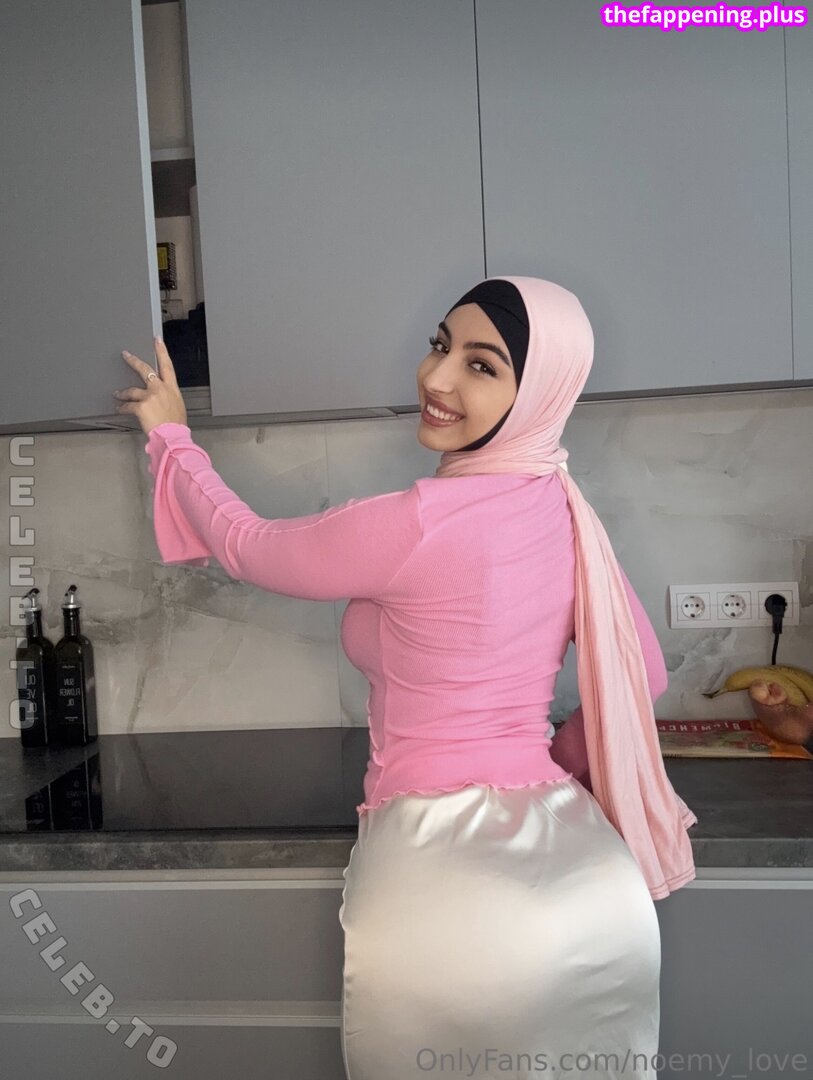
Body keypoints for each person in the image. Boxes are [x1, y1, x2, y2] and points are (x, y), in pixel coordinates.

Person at [117, 277, 698, 1079]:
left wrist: (172, 438)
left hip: (445, 880)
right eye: (439, 346)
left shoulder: (418, 522)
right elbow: (643, 674)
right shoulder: (567, 515)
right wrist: (553, 771)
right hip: (589, 879)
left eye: (481, 365)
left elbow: (248, 545)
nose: (436, 377)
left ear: (538, 392)